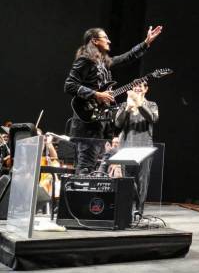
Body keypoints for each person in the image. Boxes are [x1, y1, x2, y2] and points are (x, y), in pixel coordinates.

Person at [64, 26, 163, 174]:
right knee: (85, 167)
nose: (109, 41)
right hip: (86, 124)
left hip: (98, 124)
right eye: (105, 38)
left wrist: (146, 42)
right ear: (95, 41)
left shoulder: (103, 61)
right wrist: (97, 95)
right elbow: (69, 85)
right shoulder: (85, 59)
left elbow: (126, 57)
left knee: (94, 168)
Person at [114, 80, 159, 215]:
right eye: (135, 86)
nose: (137, 88)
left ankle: (139, 211)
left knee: (142, 181)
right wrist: (128, 108)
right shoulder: (124, 105)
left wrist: (139, 104)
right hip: (126, 148)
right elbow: (117, 123)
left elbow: (153, 118)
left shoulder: (151, 105)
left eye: (140, 86)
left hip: (144, 148)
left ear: (146, 89)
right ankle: (126, 210)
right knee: (127, 181)